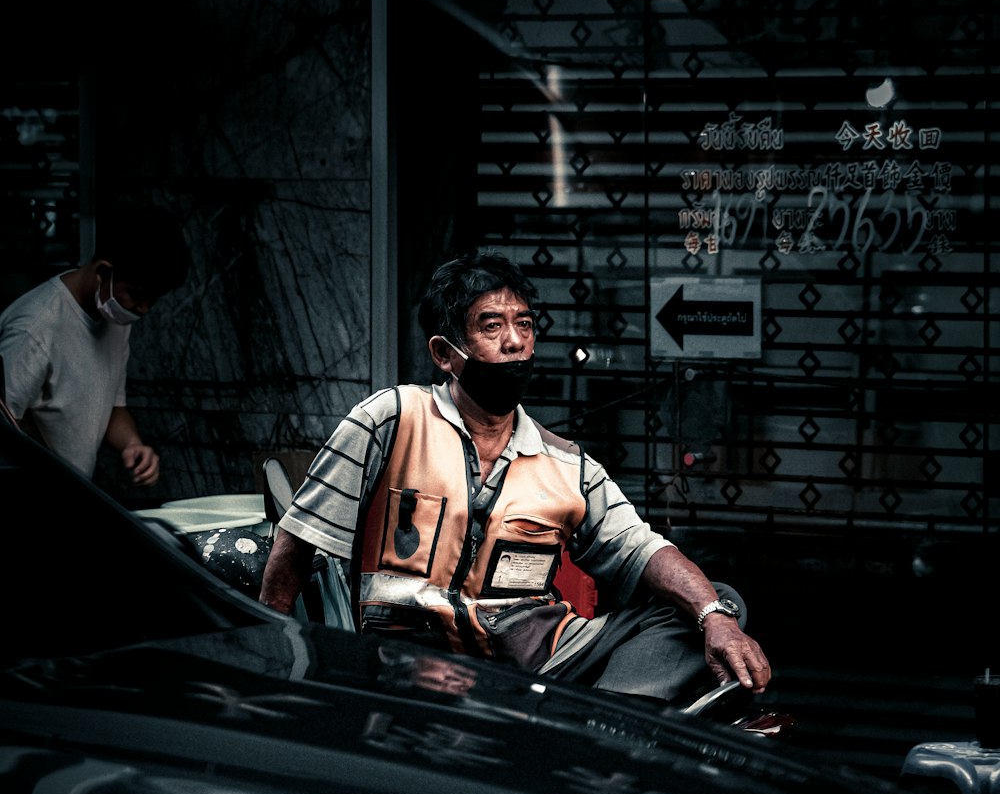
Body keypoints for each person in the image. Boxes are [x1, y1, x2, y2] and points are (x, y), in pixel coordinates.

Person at [259, 248, 771, 708]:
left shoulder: (568, 465)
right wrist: (272, 667)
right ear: (445, 354)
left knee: (717, 601)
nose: (514, 342)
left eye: (524, 325)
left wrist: (713, 616)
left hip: (541, 664)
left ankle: (604, 720)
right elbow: (297, 546)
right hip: (406, 662)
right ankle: (591, 722)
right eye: (491, 326)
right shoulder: (391, 419)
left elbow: (642, 549)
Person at [0, 204, 190, 487]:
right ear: (104, 271)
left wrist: (132, 444)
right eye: (138, 295)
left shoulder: (114, 314)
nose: (144, 309)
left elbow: (112, 404)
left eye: (153, 300)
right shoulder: (34, 328)